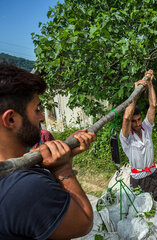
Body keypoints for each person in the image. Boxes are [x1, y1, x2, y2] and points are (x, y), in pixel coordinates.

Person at [0, 61, 97, 239]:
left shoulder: (15, 175)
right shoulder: (25, 188)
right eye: (37, 109)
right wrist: (63, 169)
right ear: (11, 119)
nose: (43, 116)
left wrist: (66, 154)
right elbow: (83, 222)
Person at [119, 70, 157, 212]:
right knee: (144, 213)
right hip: (138, 181)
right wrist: (135, 94)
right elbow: (126, 118)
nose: (137, 124)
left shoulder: (146, 128)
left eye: (138, 120)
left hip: (154, 175)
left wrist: (149, 84)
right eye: (134, 121)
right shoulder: (126, 138)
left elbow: (153, 105)